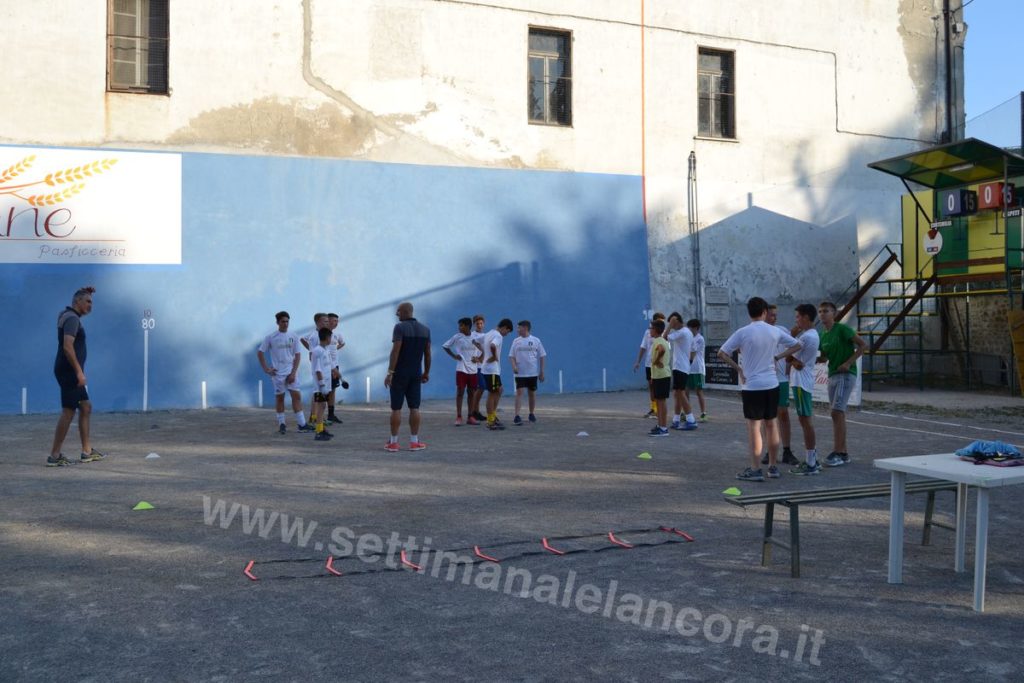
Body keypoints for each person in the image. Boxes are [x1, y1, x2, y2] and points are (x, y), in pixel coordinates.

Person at [717, 297, 801, 482]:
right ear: (764, 312)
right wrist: (778, 357)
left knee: (754, 427)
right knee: (772, 425)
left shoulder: (742, 332)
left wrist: (738, 368)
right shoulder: (774, 331)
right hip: (772, 384)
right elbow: (798, 344)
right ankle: (773, 466)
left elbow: (721, 353)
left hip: (752, 385)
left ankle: (755, 468)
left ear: (749, 312)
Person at [48, 285, 105, 466]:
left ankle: (87, 451)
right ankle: (54, 456)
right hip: (69, 372)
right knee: (68, 411)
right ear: (77, 302)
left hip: (68, 370)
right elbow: (67, 346)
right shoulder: (72, 319)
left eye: (91, 302)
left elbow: (74, 301)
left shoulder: (67, 314)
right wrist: (79, 372)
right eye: (87, 301)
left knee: (86, 406)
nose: (90, 305)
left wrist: (82, 291)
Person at [817, 301, 868, 467]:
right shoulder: (822, 334)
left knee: (836, 412)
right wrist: (812, 360)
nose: (822, 314)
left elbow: (863, 345)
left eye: (826, 311)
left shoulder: (842, 329)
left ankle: (838, 452)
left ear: (834, 314)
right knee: (837, 413)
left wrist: (848, 363)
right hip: (832, 374)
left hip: (845, 374)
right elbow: (824, 357)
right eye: (820, 311)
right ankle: (843, 453)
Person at [384, 302, 431, 452]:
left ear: (405, 312)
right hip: (416, 374)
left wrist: (390, 372)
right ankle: (414, 442)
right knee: (414, 408)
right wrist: (426, 372)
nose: (397, 314)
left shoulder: (399, 328)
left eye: (398, 311)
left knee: (396, 408)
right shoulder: (425, 329)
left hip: (399, 374)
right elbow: (428, 354)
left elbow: (395, 351)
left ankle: (394, 442)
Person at [257, 311, 313, 434]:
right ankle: (282, 424)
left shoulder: (294, 336)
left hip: (291, 372)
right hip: (277, 374)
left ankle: (302, 425)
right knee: (280, 399)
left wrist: (293, 373)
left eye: (287, 321)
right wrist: (266, 369)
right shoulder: (271, 337)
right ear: (277, 322)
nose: (285, 323)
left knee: (296, 397)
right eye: (283, 321)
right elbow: (260, 352)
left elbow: (297, 356)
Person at [788, 304, 822, 475]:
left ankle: (810, 463)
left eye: (798, 317)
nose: (796, 320)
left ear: (806, 317)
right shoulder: (809, 335)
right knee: (804, 420)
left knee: (805, 421)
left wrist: (788, 357)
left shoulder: (807, 337)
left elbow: (797, 363)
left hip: (801, 382)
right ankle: (813, 458)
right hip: (802, 382)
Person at [764, 305, 800, 466]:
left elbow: (793, 347)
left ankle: (787, 450)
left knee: (783, 413)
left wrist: (788, 363)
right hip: (765, 379)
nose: (775, 318)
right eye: (772, 315)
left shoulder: (781, 330)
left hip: (781, 379)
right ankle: (769, 451)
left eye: (776, 315)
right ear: (764, 315)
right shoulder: (757, 331)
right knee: (768, 417)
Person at [442, 317, 483, 426]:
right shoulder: (457, 337)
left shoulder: (475, 337)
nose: (459, 327)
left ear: (468, 326)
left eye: (461, 325)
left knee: (471, 393)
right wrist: (454, 356)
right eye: (459, 325)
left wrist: (478, 359)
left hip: (473, 370)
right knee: (460, 392)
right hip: (461, 369)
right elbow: (445, 346)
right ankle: (459, 416)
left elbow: (483, 350)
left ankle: (470, 417)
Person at [509, 320, 546, 425]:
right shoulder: (516, 341)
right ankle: (516, 415)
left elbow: (542, 355)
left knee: (532, 393)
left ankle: (531, 413)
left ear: (525, 328)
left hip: (532, 373)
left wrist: (542, 371)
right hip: (520, 373)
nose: (517, 330)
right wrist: (514, 366)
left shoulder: (536, 340)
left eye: (519, 327)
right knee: (519, 392)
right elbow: (511, 356)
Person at [666, 312, 698, 431]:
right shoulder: (688, 332)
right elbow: (694, 349)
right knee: (677, 393)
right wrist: (688, 362)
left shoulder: (682, 332)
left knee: (680, 393)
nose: (672, 327)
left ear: (677, 321)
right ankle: (676, 419)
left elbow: (664, 337)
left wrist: (669, 326)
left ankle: (691, 419)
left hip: (680, 367)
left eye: (673, 324)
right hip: (682, 367)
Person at [482, 318, 514, 430]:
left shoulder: (489, 333)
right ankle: (490, 421)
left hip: (489, 369)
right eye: (508, 331)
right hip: (491, 370)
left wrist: (483, 357)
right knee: (492, 393)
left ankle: (493, 416)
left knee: (499, 390)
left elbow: (476, 342)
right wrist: (494, 357)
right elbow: (492, 346)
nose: (506, 334)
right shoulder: (498, 336)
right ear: (504, 327)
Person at [633, 312, 665, 418]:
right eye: (660, 321)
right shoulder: (648, 332)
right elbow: (643, 347)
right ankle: (653, 408)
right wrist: (638, 361)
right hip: (648, 364)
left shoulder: (664, 333)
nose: (662, 323)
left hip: (658, 365)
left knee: (658, 386)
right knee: (651, 386)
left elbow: (666, 349)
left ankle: (659, 410)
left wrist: (660, 361)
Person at [309, 327, 334, 441]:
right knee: (321, 406)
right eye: (331, 337)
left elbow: (328, 365)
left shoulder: (325, 350)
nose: (331, 339)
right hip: (320, 386)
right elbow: (318, 370)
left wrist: (336, 372)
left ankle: (321, 428)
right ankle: (318, 431)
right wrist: (322, 385)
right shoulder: (317, 351)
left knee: (323, 406)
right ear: (327, 337)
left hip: (326, 384)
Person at [647, 319, 672, 436]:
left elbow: (661, 350)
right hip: (661, 375)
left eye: (651, 328)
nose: (649, 330)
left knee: (661, 402)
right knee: (660, 402)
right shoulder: (662, 340)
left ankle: (663, 428)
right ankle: (660, 425)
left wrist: (656, 361)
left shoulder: (658, 341)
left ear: (656, 330)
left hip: (661, 375)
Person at [325, 313, 348, 425]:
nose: (336, 323)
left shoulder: (337, 334)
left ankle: (331, 414)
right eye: (334, 320)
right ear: (328, 321)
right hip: (324, 366)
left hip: (335, 365)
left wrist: (335, 348)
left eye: (337, 321)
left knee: (333, 390)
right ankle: (315, 416)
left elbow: (342, 343)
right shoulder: (322, 334)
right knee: (323, 390)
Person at [685, 319, 708, 421]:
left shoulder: (700, 339)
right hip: (687, 369)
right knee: (685, 391)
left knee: (699, 391)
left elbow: (692, 351)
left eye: (691, 328)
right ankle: (687, 413)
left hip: (697, 369)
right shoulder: (688, 338)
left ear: (696, 328)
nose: (689, 330)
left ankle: (703, 413)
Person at [469, 314, 488, 423]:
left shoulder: (485, 335)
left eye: (481, 323)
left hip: (483, 366)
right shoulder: (472, 335)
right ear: (474, 324)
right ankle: (474, 411)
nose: (480, 325)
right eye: (477, 324)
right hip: (475, 366)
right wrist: (475, 358)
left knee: (479, 388)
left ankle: (476, 411)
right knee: (480, 387)